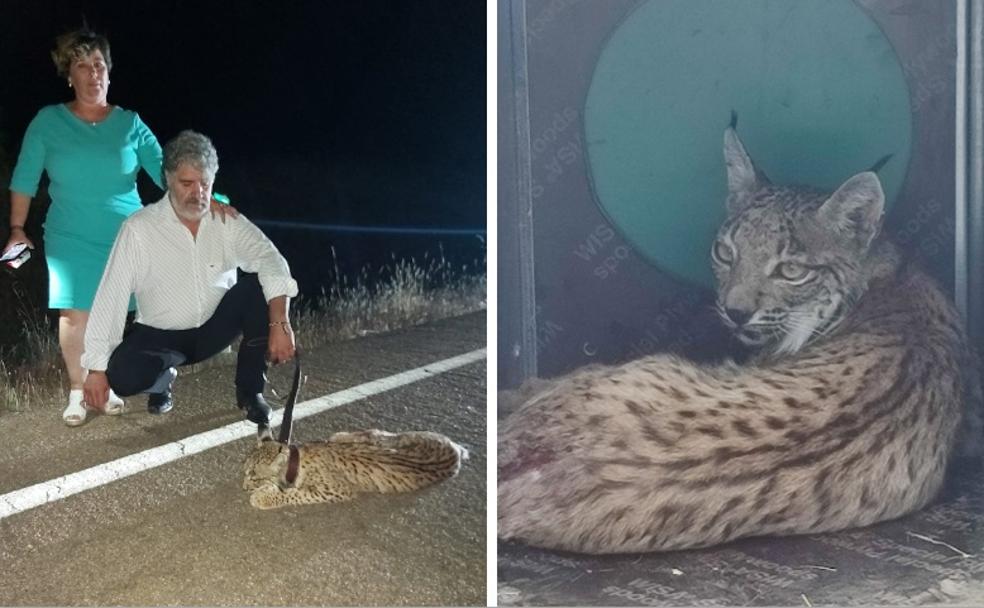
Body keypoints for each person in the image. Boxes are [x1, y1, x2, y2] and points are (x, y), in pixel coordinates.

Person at [2, 28, 235, 426]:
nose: (94, 74)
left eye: (100, 65)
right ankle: (79, 391)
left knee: (137, 314)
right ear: (69, 75)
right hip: (69, 234)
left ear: (109, 72)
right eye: (83, 66)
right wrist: (17, 228)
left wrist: (200, 196)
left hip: (128, 233)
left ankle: (117, 380)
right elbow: (25, 177)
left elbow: (165, 171)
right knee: (76, 314)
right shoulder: (48, 122)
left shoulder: (130, 124)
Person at [81, 130, 297, 425]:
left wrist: (280, 323)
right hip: (161, 337)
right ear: (168, 179)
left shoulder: (226, 220)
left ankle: (250, 392)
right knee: (121, 376)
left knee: (259, 288)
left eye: (205, 184)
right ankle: (161, 381)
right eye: (187, 183)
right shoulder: (139, 229)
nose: (198, 194)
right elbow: (112, 296)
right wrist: (95, 369)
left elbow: (272, 260)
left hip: (213, 331)